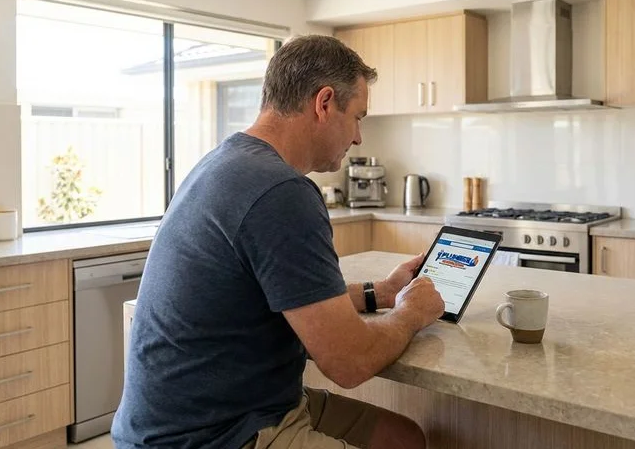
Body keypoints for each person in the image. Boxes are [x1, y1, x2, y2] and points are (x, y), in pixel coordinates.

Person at [112, 34, 445, 449]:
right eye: (358, 117)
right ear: (324, 103)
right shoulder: (281, 191)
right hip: (212, 435)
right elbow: (349, 362)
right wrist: (411, 313)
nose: (359, 137)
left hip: (211, 413)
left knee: (404, 438)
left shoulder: (226, 161)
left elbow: (285, 295)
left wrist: (382, 293)